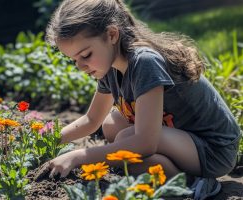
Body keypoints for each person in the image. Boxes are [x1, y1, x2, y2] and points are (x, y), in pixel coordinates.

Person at [39, 0, 241, 199]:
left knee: (127, 150)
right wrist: (46, 140)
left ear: (111, 35)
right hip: (182, 138)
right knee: (111, 124)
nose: (81, 66)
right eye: (74, 60)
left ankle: (193, 183)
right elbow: (92, 120)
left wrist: (78, 157)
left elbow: (145, 142)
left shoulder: (145, 62)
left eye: (86, 54)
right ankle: (170, 170)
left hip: (214, 150)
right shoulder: (109, 67)